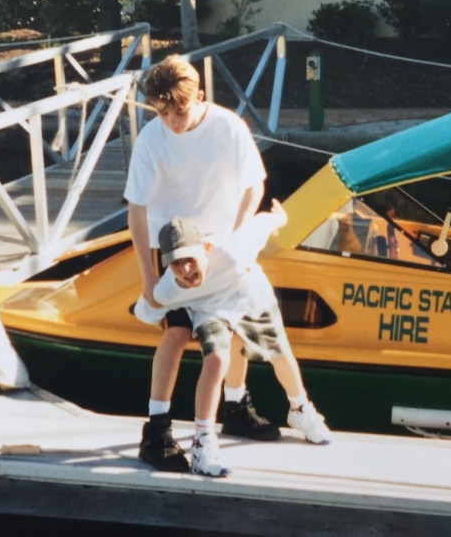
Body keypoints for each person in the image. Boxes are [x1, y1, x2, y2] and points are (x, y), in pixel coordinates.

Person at [124, 55, 278, 473]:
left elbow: (254, 184)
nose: (171, 121)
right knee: (176, 332)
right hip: (175, 246)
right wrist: (148, 276)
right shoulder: (152, 141)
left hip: (222, 244)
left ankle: (235, 406)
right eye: (161, 112)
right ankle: (156, 430)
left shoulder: (229, 127)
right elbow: (137, 210)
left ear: (201, 97)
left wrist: (236, 238)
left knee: (230, 329)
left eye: (179, 111)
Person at [135, 200, 332, 476]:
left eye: (190, 259)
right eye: (176, 263)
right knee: (216, 359)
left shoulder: (234, 250)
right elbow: (148, 306)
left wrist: (279, 218)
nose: (185, 270)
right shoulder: (167, 289)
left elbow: (264, 222)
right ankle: (203, 443)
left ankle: (300, 408)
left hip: (249, 295)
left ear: (206, 248)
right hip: (212, 310)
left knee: (279, 353)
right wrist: (156, 309)